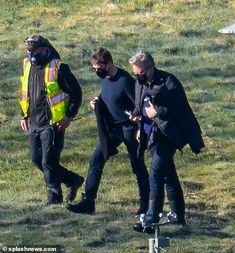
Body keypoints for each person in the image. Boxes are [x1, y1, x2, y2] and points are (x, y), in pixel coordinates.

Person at [66, 48, 150, 214]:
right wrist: (97, 102)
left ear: (109, 63)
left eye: (100, 68)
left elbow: (139, 104)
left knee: (137, 164)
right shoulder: (105, 80)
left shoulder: (125, 80)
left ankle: (146, 204)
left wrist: (139, 125)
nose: (98, 71)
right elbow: (107, 96)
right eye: (95, 69)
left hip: (128, 128)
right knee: (97, 159)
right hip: (112, 128)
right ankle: (88, 202)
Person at [128, 51, 205, 232]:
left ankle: (151, 218)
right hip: (150, 136)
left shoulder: (169, 81)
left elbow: (179, 106)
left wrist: (158, 112)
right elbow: (140, 106)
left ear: (150, 69)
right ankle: (178, 215)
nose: (137, 77)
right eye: (134, 74)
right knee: (168, 174)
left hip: (168, 135)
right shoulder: (139, 85)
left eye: (139, 73)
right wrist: (136, 116)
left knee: (155, 174)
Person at [20, 35, 84, 206]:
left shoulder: (58, 67)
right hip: (34, 122)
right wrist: (23, 115)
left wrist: (69, 116)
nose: (31, 54)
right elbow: (25, 93)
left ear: (43, 48)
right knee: (36, 159)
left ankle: (54, 198)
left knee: (48, 161)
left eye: (34, 51)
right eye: (28, 50)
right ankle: (72, 179)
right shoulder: (27, 65)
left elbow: (76, 93)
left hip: (53, 124)